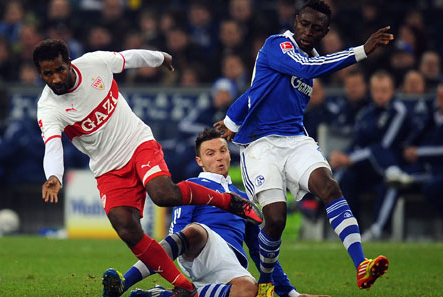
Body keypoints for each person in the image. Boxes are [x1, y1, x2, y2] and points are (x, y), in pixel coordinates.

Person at [33, 39, 263, 297]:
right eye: (47, 74)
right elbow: (52, 145)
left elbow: (128, 58)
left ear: (69, 62)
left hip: (137, 142)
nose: (55, 78)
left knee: (163, 194)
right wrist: (53, 175)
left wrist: (160, 57)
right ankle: (185, 289)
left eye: (59, 69)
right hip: (107, 167)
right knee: (126, 228)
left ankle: (227, 201)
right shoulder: (49, 107)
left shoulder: (93, 64)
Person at [214, 0, 392, 290]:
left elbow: (261, 89)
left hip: (296, 140)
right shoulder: (277, 45)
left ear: (325, 32)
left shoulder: (313, 58)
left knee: (329, 186)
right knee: (275, 219)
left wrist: (233, 119)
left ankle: (362, 264)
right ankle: (267, 282)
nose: (308, 31)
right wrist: (361, 51)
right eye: (304, 24)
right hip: (261, 146)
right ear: (295, 20)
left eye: (317, 28)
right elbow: (303, 70)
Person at [102, 128, 330, 297]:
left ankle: (164, 295)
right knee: (196, 231)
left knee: (248, 289)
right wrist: (177, 267)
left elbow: (259, 249)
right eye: (210, 154)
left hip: (229, 262)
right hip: (197, 252)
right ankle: (124, 283)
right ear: (200, 161)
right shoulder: (191, 187)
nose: (219, 157)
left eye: (222, 150)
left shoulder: (244, 198)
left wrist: (290, 293)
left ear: (229, 154)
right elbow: (179, 233)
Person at [330, 71, 411, 240]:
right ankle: (352, 228)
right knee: (345, 177)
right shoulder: (365, 114)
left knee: (391, 181)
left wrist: (350, 159)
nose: (380, 95)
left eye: (384, 90)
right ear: (371, 91)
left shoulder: (399, 111)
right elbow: (356, 144)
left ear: (392, 90)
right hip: (367, 167)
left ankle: (377, 230)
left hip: (391, 165)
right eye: (376, 90)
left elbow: (383, 146)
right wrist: (342, 156)